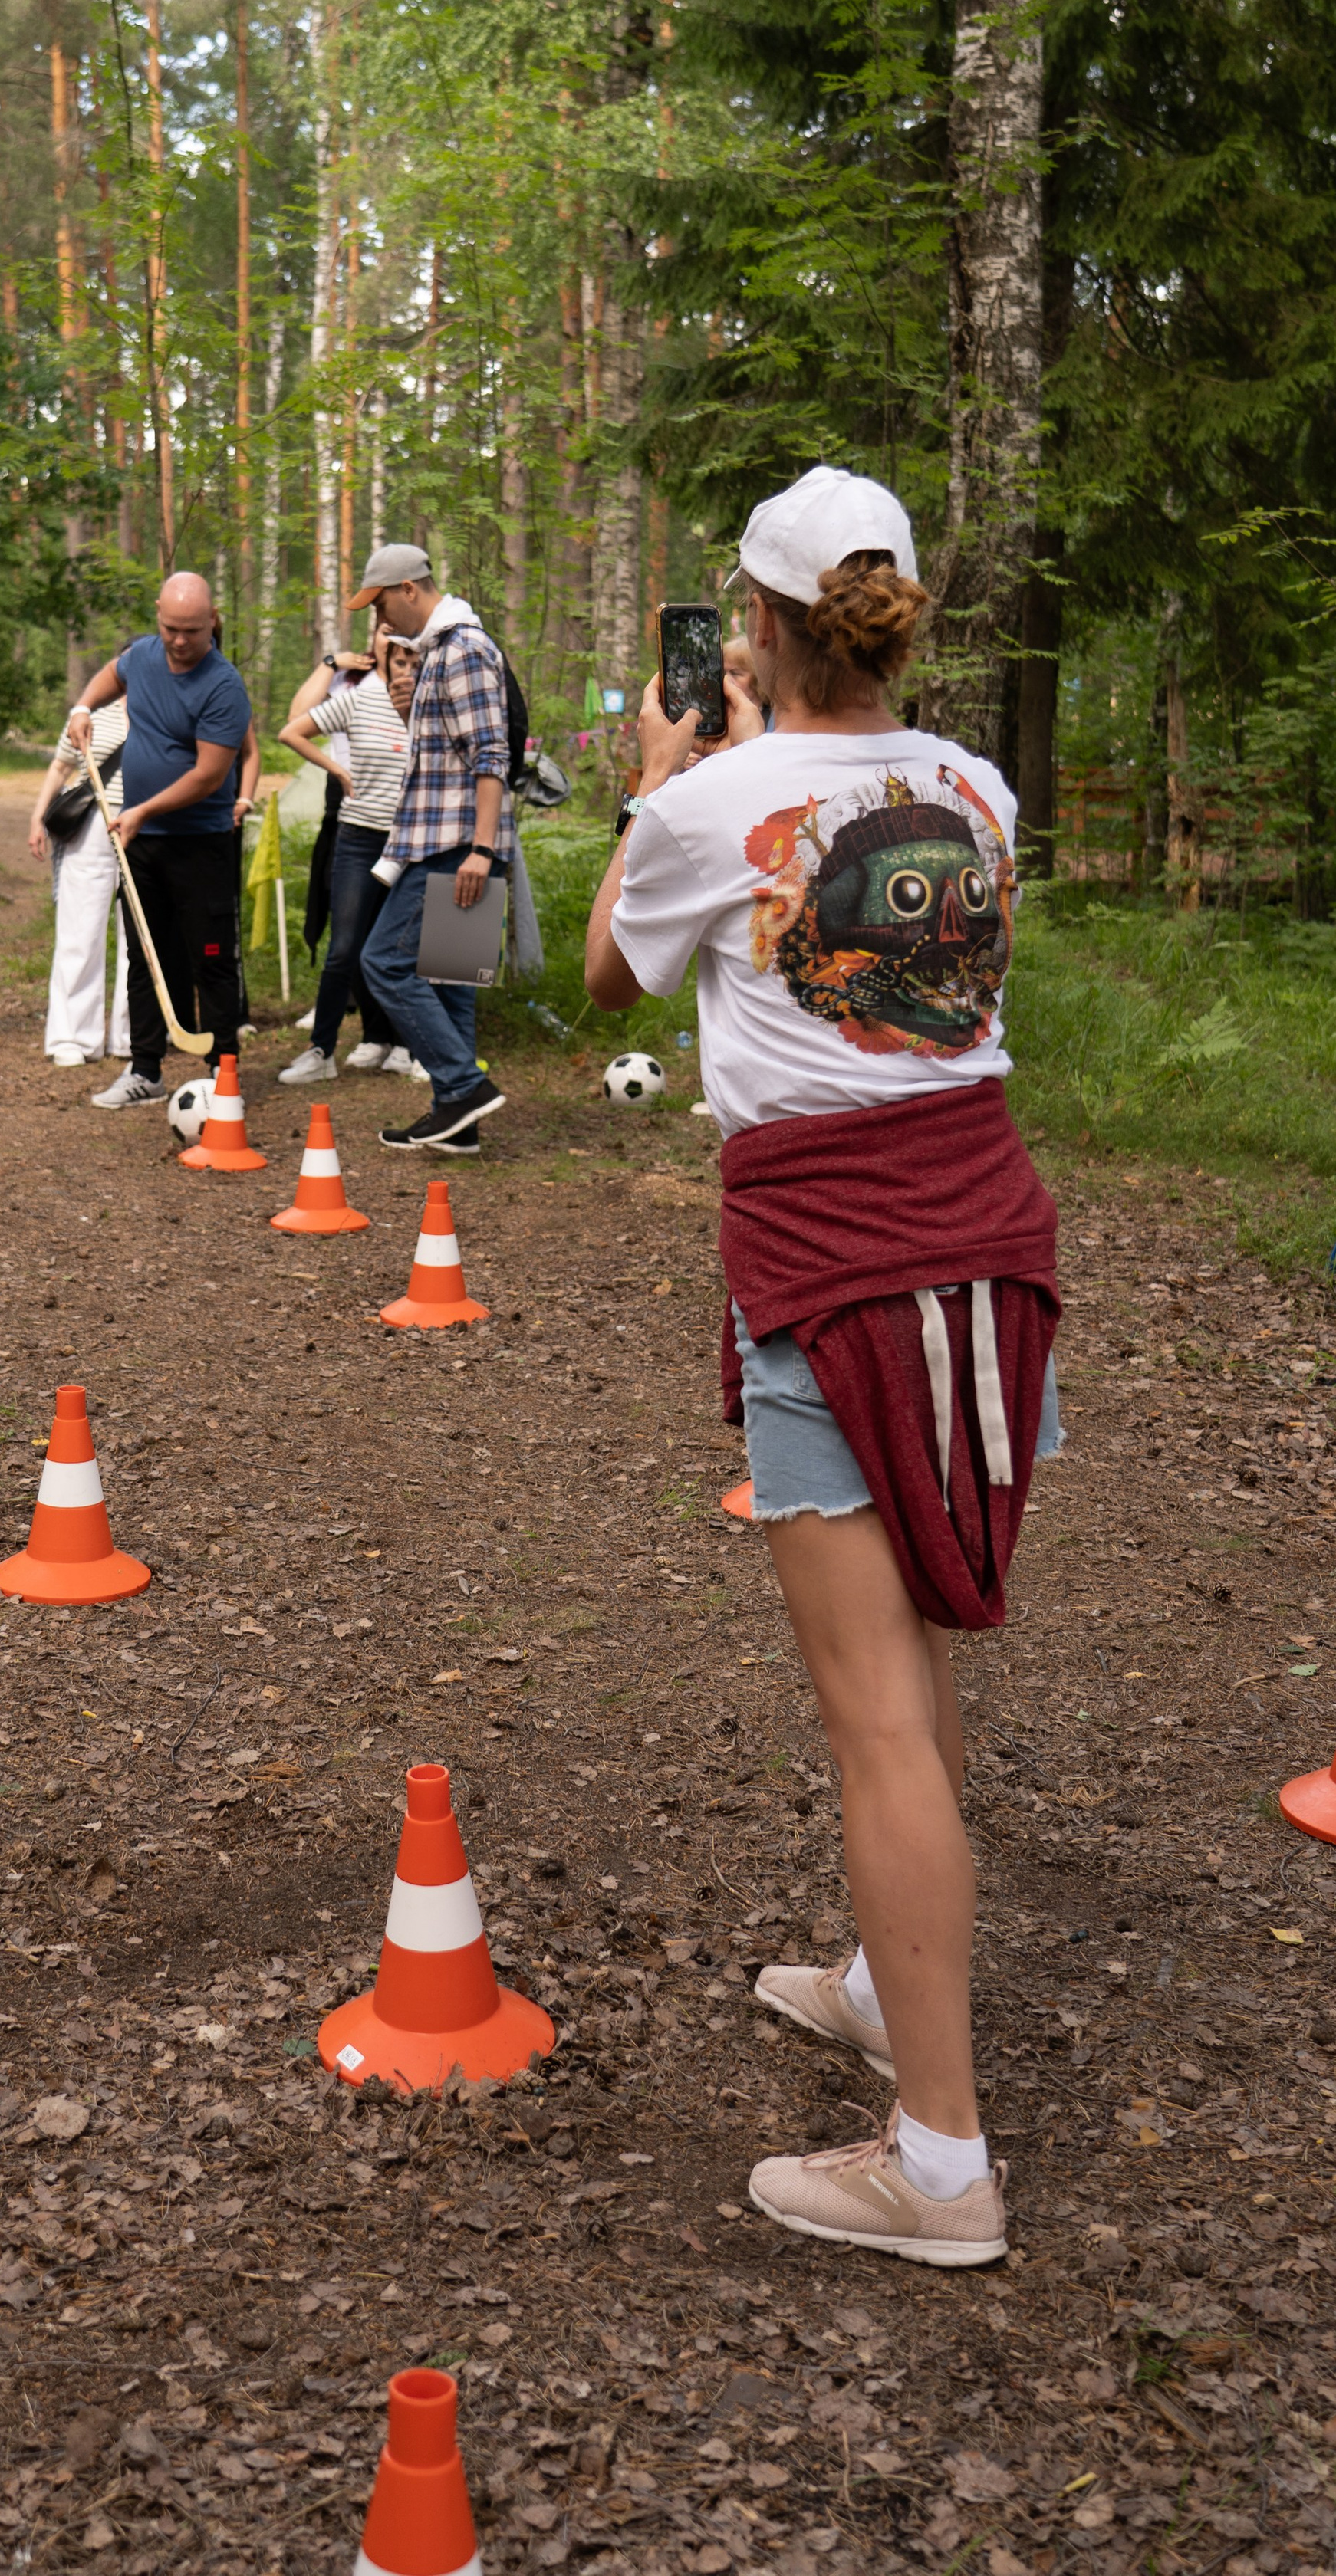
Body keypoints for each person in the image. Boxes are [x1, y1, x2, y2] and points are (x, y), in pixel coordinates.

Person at [584, 465, 1062, 2269]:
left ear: (760, 629)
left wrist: (656, 781)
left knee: (870, 1709)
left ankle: (937, 2164)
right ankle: (884, 1981)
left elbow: (610, 986)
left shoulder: (711, 798)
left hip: (837, 1270)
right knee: (911, 1659)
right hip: (989, 1250)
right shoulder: (977, 784)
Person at [62, 573, 253, 1107]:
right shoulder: (144, 655)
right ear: (158, 616)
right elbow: (111, 673)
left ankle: (224, 1073)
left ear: (211, 621)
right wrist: (83, 707)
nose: (179, 641)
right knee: (146, 953)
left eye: (192, 630)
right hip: (142, 843)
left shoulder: (224, 686)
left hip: (200, 843)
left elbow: (210, 776)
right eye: (171, 627)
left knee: (211, 956)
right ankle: (145, 1069)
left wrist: (142, 809)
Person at [350, 542, 515, 1152]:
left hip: (452, 845)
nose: (380, 620)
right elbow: (449, 754)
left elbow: (490, 756)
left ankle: (462, 1085)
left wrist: (481, 850)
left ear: (409, 589)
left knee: (384, 963)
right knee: (450, 981)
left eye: (382, 604)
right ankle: (459, 1124)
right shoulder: (438, 654)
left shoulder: (464, 651)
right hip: (451, 838)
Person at [275, 627, 424, 1083]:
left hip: (411, 841)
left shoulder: (431, 708)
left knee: (404, 950)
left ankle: (406, 1045)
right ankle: (321, 1051)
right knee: (344, 949)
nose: (406, 672)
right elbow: (292, 731)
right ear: (383, 659)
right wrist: (337, 770)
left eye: (415, 664)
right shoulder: (358, 698)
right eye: (400, 662)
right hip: (358, 838)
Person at [28, 694, 133, 1069]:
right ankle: (73, 1036)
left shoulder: (167, 709)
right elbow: (60, 767)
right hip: (92, 825)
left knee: (138, 935)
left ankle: (134, 1033)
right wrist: (38, 818)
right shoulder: (93, 714)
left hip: (147, 822)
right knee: (80, 931)